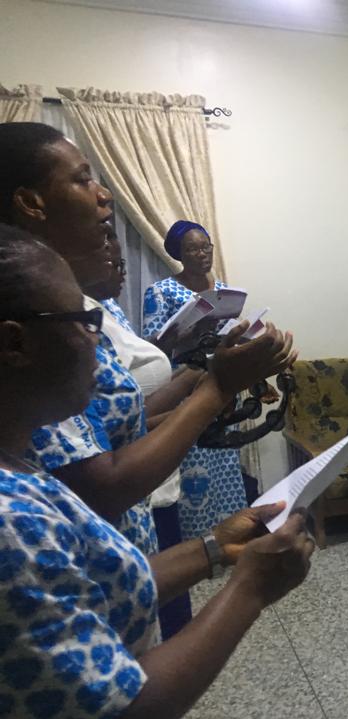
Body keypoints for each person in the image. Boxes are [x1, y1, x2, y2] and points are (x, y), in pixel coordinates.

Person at [0, 225, 314, 719]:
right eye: (84, 322)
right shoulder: (10, 522)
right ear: (15, 343)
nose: (101, 343)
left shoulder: (25, 468)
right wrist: (249, 588)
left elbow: (102, 586)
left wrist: (214, 548)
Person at [0, 121, 295, 558]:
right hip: (92, 562)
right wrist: (216, 386)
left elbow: (119, 424)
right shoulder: (41, 324)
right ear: (30, 202)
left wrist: (208, 374)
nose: (104, 194)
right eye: (83, 179)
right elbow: (101, 485)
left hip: (132, 550)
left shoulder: (79, 305)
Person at [92, 232, 195, 637]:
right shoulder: (75, 319)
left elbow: (132, 410)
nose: (119, 271)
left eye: (121, 266)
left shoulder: (108, 306)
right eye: (111, 262)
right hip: (129, 484)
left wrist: (197, 382)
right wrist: (205, 394)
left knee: (167, 618)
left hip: (152, 479)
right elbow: (118, 428)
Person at [141, 221, 252, 540]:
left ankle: (229, 534)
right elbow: (150, 348)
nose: (202, 254)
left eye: (206, 247)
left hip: (221, 380)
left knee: (223, 458)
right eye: (193, 248)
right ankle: (194, 543)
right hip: (182, 385)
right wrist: (184, 335)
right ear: (178, 253)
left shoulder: (224, 290)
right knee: (192, 460)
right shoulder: (161, 291)